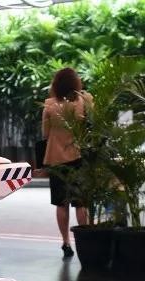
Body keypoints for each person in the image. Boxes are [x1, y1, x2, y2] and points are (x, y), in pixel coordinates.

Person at [42, 67, 91, 258]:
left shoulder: (49, 105)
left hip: (56, 159)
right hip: (78, 157)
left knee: (61, 204)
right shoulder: (82, 102)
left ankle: (65, 242)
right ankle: (85, 242)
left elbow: (45, 134)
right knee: (81, 203)